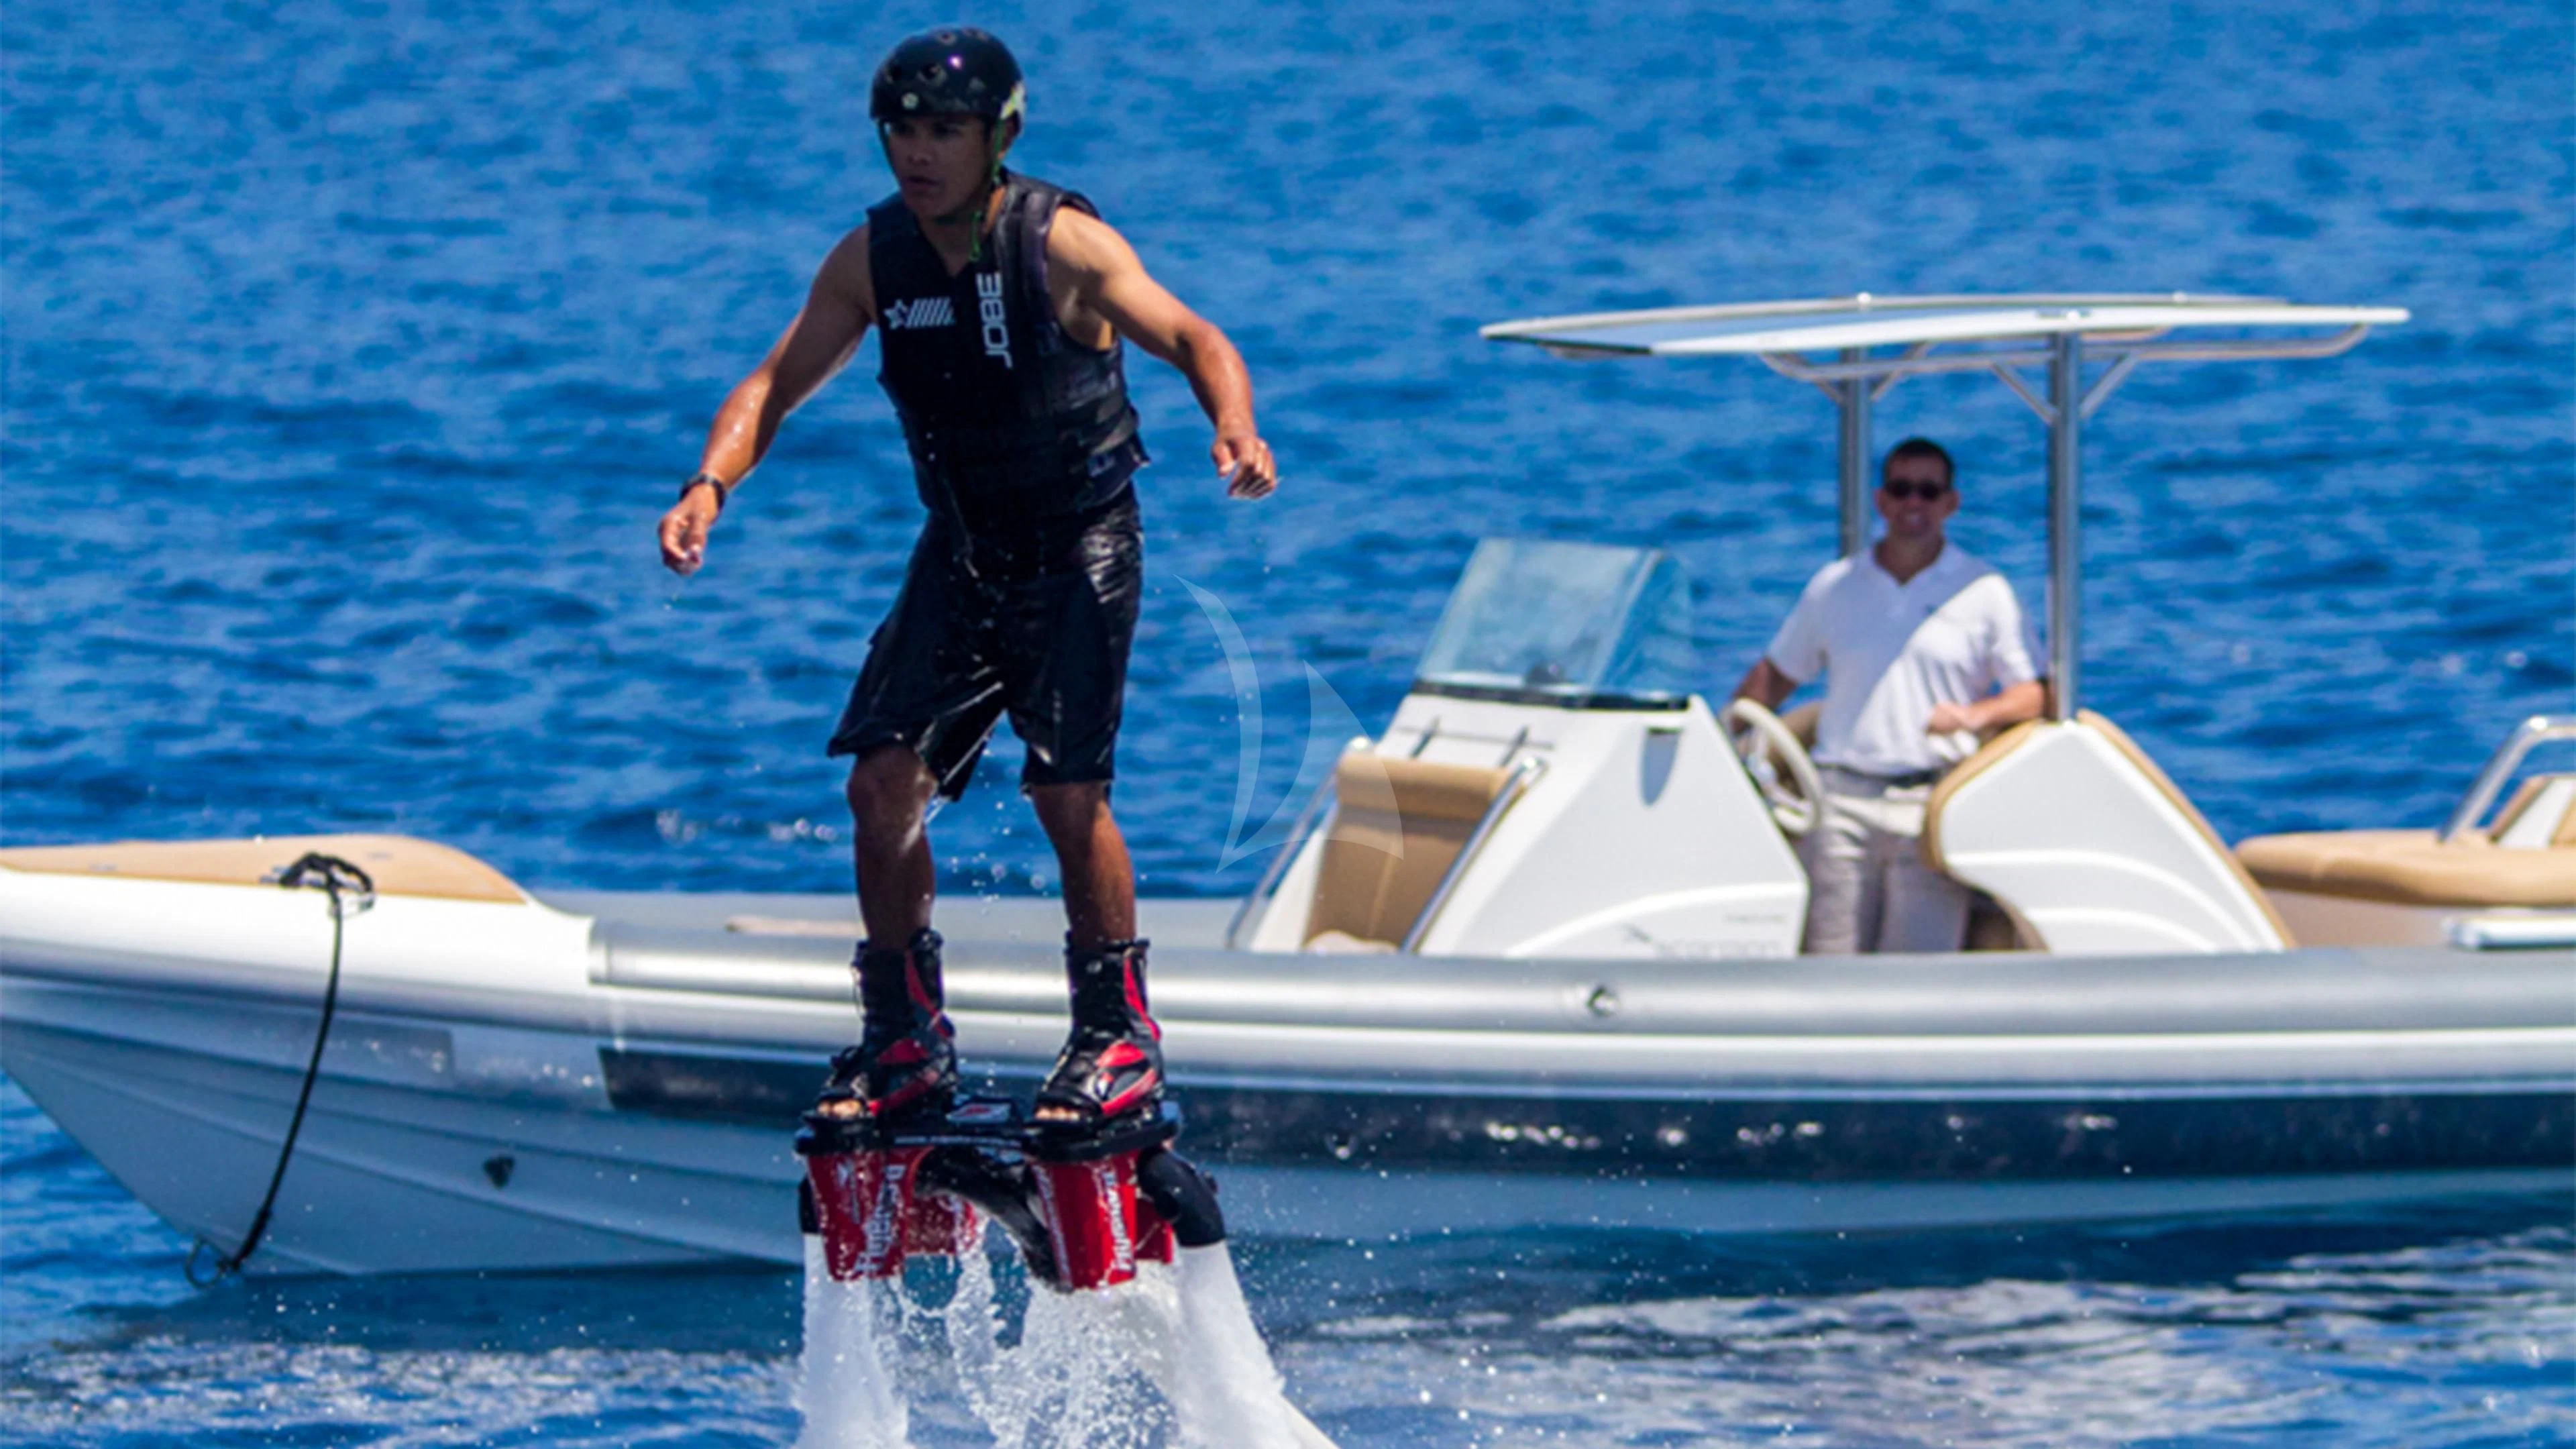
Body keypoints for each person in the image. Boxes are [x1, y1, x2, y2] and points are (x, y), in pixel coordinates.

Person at [654, 28, 1277, 1129]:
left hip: (1078, 542)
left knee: (1064, 791)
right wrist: (710, 485)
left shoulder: (1062, 243)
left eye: (945, 130)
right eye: (902, 130)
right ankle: (903, 1040)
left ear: (998, 136)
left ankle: (1117, 1039)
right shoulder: (872, 260)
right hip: (963, 545)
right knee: (881, 784)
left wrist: (1234, 427)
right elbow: (773, 383)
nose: (919, 153)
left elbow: (1193, 335)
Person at [1731, 437, 2044, 955]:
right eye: (1901, 490)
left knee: (1919, 971)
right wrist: (1722, 733)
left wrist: (1973, 715)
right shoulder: (1837, 586)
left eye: (1928, 491)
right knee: (1830, 962)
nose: (1913, 504)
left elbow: (2034, 693)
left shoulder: (1984, 591)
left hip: (1929, 805)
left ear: (1950, 503)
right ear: (1881, 500)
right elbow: (1779, 673)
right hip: (1840, 805)